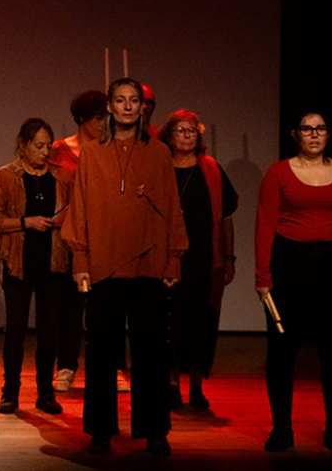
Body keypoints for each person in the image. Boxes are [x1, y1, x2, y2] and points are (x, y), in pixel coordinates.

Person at [61, 78, 187, 457]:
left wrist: (174, 258)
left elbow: (172, 206)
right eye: (120, 100)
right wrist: (80, 260)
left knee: (152, 353)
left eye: (134, 100)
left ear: (142, 108)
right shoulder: (91, 153)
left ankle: (155, 431)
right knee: (102, 352)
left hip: (149, 263)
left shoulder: (159, 153)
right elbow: (80, 207)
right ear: (110, 107)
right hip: (103, 264)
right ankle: (101, 430)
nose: (128, 106)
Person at [255, 111, 332, 455]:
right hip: (289, 266)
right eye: (307, 128)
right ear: (295, 134)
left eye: (320, 128)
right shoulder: (278, 173)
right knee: (282, 351)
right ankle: (281, 429)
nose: (315, 134)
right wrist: (263, 276)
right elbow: (265, 224)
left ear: (328, 134)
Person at [0, 118, 69, 415]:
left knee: (49, 330)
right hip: (18, 263)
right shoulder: (6, 176)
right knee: (16, 330)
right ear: (23, 145)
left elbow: (77, 214)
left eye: (48, 146)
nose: (45, 152)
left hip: (53, 262)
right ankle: (10, 391)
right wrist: (26, 222)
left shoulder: (62, 176)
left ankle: (46, 392)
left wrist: (62, 221)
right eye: (38, 146)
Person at [159, 110, 238, 409]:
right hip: (169, 260)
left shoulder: (212, 169)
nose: (187, 135)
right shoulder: (160, 168)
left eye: (192, 130)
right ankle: (171, 385)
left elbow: (226, 217)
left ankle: (196, 386)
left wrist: (229, 257)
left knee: (202, 323)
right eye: (180, 130)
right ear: (169, 135)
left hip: (205, 259)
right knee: (171, 323)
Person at [48, 90, 107, 393]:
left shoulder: (110, 150)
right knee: (69, 307)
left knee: (105, 305)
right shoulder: (59, 150)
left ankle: (111, 367)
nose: (103, 124)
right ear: (83, 118)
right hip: (68, 238)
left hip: (103, 236)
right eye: (99, 118)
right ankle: (66, 366)